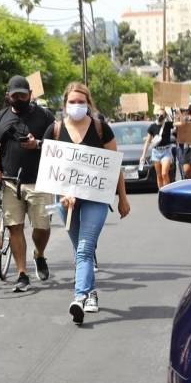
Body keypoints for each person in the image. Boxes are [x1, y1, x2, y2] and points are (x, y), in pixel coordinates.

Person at [50, 83, 131, 324]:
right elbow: (49, 169)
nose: (76, 106)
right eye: (72, 102)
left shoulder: (100, 128)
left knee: (85, 248)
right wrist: (62, 194)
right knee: (80, 250)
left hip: (96, 198)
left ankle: (79, 297)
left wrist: (123, 198)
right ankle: (91, 291)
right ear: (64, 104)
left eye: (81, 102)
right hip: (66, 201)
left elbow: (115, 166)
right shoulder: (54, 129)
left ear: (89, 103)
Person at [0, 75, 56, 292]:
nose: (19, 99)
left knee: (42, 227)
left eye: (23, 95)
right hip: (9, 183)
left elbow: (58, 145)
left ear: (30, 95)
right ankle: (22, 273)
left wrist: (38, 145)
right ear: (8, 96)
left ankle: (39, 254)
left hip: (40, 182)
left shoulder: (44, 116)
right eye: (15, 95)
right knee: (14, 227)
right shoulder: (0, 118)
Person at [140, 109, 177, 188]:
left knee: (164, 173)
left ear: (165, 116)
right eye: (157, 115)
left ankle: (167, 192)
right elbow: (147, 141)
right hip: (156, 152)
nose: (159, 117)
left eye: (161, 115)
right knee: (159, 175)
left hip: (166, 151)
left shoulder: (168, 125)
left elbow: (180, 124)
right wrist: (143, 155)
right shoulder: (152, 127)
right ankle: (161, 193)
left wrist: (178, 112)